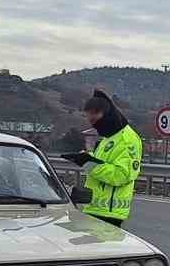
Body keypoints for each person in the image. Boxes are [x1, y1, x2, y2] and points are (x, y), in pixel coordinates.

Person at [60, 90, 143, 227]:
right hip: (94, 209)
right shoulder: (109, 138)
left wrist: (87, 162)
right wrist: (85, 157)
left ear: (106, 115)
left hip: (109, 213)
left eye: (94, 119)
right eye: (89, 119)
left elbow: (121, 175)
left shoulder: (127, 140)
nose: (92, 124)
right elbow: (104, 163)